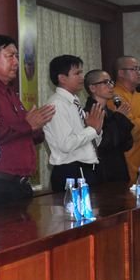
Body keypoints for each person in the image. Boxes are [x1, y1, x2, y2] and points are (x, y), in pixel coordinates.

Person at [0, 35, 55, 205]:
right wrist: (27, 125)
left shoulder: (9, 93)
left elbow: (30, 134)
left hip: (21, 185)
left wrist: (36, 127)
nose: (16, 63)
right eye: (10, 56)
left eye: (17, 57)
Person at [43, 55, 103, 191]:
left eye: (81, 72)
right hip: (70, 172)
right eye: (77, 73)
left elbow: (90, 141)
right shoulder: (56, 105)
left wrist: (97, 131)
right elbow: (66, 144)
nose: (83, 77)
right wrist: (92, 130)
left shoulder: (74, 102)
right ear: (62, 78)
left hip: (84, 169)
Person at [84, 69, 134, 183]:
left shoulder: (112, 113)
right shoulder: (88, 114)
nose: (111, 86)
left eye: (111, 82)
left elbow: (127, 145)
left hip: (119, 169)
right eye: (106, 82)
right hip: (101, 171)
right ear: (93, 88)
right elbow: (103, 142)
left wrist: (121, 119)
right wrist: (118, 119)